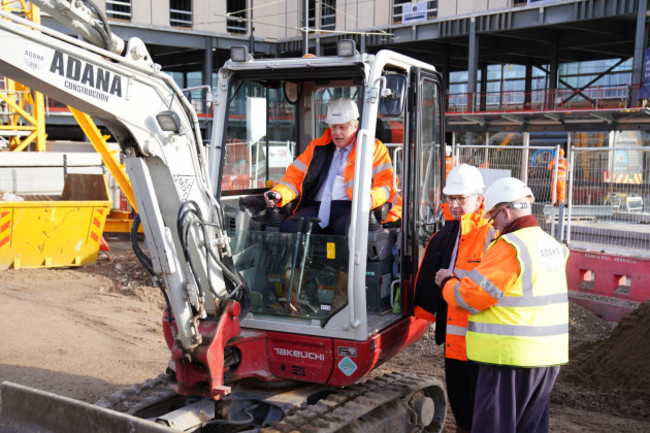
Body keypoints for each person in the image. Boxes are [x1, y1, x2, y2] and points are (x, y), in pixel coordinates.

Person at [434, 177, 569, 433]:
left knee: (493, 425)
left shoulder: (509, 246)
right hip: (547, 357)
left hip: (509, 357)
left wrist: (446, 284)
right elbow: (517, 289)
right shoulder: (551, 245)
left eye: (493, 216)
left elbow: (471, 298)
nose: (492, 223)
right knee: (529, 427)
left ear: (506, 211)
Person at [413, 164, 496, 433]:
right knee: (462, 410)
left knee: (481, 412)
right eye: (452, 199)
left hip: (480, 342)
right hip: (454, 338)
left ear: (479, 199)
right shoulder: (450, 233)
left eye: (462, 199)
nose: (456, 205)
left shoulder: (490, 234)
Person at [264, 97, 401, 235]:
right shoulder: (316, 147)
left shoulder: (374, 148)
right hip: (317, 205)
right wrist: (279, 193)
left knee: (347, 231)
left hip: (350, 206)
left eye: (342, 127)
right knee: (289, 228)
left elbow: (386, 185)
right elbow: (294, 176)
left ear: (355, 126)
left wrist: (370, 200)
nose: (336, 133)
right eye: (333, 127)